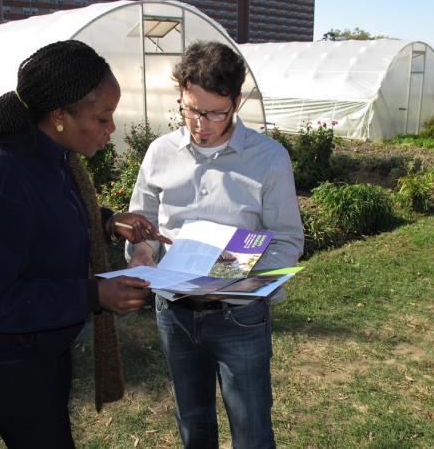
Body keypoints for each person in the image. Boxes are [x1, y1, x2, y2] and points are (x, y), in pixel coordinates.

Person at [0, 40, 171, 449]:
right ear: (60, 115)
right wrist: (93, 294)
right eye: (103, 118)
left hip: (40, 335)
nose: (112, 129)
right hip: (4, 353)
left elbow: (50, 210)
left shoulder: (51, 152)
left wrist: (107, 219)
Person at [125, 40, 304, 448]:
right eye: (190, 109)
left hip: (240, 316)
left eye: (215, 113)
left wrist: (231, 275)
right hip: (173, 312)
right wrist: (141, 251)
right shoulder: (159, 153)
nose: (200, 123)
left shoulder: (269, 158)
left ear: (237, 102)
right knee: (192, 421)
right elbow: (144, 223)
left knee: (252, 428)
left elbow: (287, 240)